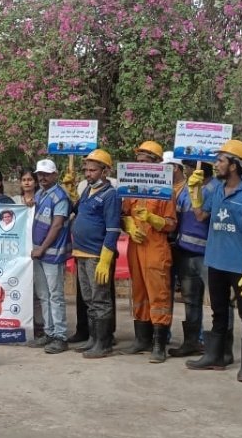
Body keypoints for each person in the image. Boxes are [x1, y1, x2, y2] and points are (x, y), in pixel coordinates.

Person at [185, 139, 242, 382]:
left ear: (234, 165)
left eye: (220, 160)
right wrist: (194, 192)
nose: (216, 164)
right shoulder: (217, 190)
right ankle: (215, 356)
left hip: (239, 265)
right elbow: (200, 216)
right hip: (215, 261)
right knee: (218, 312)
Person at [120, 140, 178, 363]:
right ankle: (141, 339)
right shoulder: (131, 188)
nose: (140, 164)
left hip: (156, 247)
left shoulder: (166, 191)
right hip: (136, 246)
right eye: (139, 160)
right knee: (139, 293)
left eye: (144, 160)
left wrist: (154, 219)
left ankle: (159, 345)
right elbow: (124, 214)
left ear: (156, 164)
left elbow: (172, 223)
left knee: (158, 295)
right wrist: (130, 226)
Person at [70, 149, 122, 359]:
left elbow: (112, 229)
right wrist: (70, 191)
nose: (88, 173)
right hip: (81, 253)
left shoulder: (110, 195)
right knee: (89, 299)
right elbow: (76, 210)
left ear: (105, 171)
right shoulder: (87, 190)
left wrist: (105, 259)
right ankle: (93, 338)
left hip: (96, 255)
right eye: (87, 169)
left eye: (93, 170)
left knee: (101, 300)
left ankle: (104, 342)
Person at [169, 161, 221, 357]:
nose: (187, 170)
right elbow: (179, 216)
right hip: (185, 252)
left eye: (189, 167)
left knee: (218, 302)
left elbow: (205, 218)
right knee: (191, 300)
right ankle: (192, 342)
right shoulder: (186, 190)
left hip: (208, 255)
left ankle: (219, 347)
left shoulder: (217, 189)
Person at [26, 159, 71, 354]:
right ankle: (49, 332)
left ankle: (60, 336)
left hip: (52, 254)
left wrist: (42, 248)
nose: (42, 178)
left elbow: (57, 225)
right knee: (44, 295)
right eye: (40, 174)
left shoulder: (60, 197)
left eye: (46, 174)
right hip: (38, 253)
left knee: (56, 296)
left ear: (55, 175)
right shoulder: (40, 194)